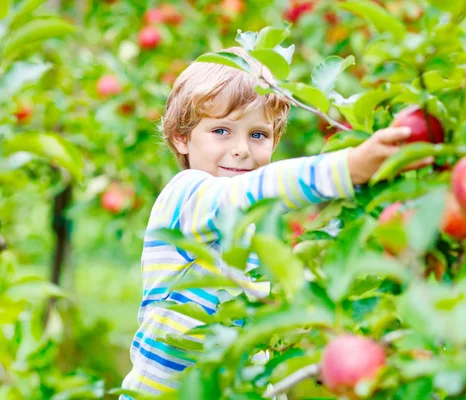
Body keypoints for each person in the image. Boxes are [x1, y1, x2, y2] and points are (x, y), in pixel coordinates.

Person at [121, 46, 429, 398]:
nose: (241, 149)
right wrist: (348, 167)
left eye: (258, 135)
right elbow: (246, 193)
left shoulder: (257, 234)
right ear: (181, 137)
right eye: (221, 130)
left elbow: (258, 330)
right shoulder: (187, 196)